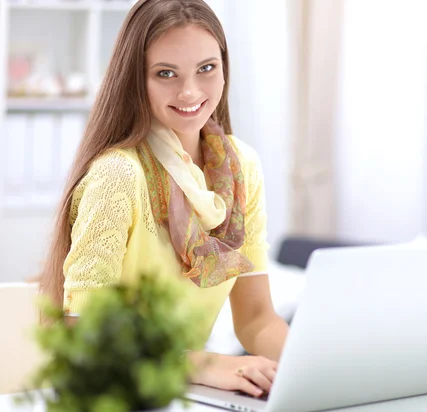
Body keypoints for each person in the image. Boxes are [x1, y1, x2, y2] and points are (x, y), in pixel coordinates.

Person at [38, 0, 288, 398]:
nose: (189, 91)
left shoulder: (242, 167)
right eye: (165, 73)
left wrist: (311, 367)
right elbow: (86, 337)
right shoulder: (118, 176)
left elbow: (256, 319)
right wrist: (207, 364)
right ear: (137, 80)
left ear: (224, 67)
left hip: (179, 392)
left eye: (206, 68)